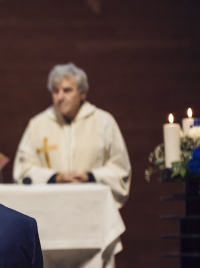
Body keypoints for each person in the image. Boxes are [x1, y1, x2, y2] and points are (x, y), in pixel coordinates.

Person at [12, 62, 131, 207]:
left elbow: (120, 170)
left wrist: (89, 177)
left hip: (91, 207)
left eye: (67, 90)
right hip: (50, 208)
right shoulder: (37, 125)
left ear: (83, 93)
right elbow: (23, 171)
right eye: (55, 91)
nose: (60, 97)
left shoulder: (104, 122)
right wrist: (55, 178)